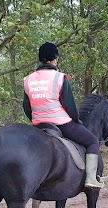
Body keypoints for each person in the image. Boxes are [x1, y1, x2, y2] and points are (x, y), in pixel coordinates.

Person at [23, 42, 103, 188]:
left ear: (40, 59)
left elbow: (26, 107)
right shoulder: (59, 78)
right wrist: (77, 120)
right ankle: (91, 178)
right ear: (55, 58)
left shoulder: (28, 80)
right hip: (61, 123)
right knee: (92, 141)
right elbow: (70, 106)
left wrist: (36, 120)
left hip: (38, 124)